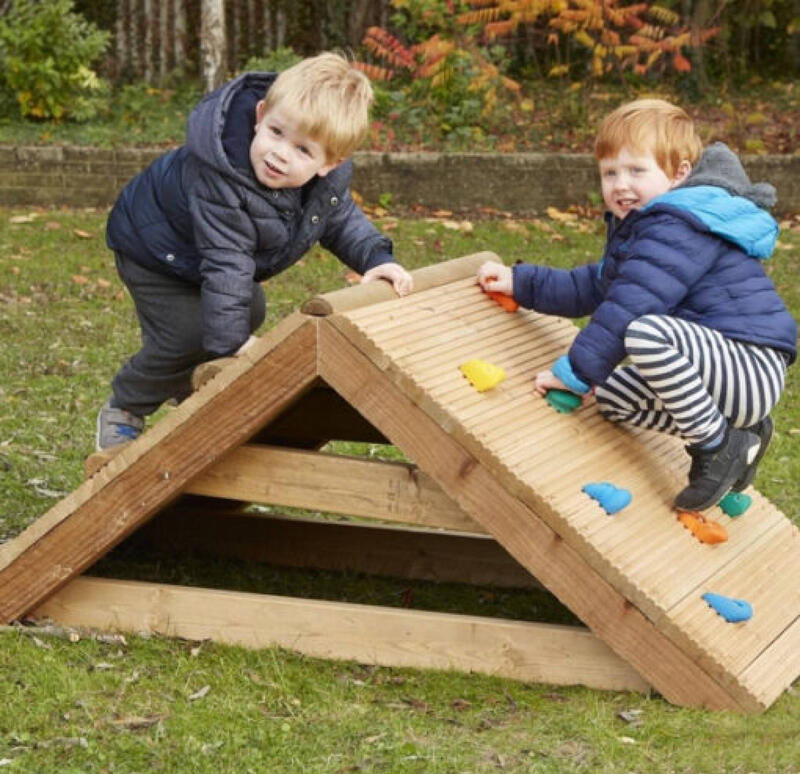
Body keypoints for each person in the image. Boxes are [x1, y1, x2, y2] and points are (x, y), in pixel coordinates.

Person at [477, 99, 796, 511]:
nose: (620, 184)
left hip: (748, 363)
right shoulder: (648, 227)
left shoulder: (680, 226)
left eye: (636, 171)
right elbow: (591, 287)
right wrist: (521, 282)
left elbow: (630, 306)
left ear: (678, 174)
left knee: (643, 331)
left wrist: (576, 375)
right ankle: (739, 433)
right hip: (723, 375)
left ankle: (716, 445)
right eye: (610, 173)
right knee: (610, 397)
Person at [97, 52, 412, 449]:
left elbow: (342, 221)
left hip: (199, 254)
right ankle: (126, 405)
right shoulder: (221, 179)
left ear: (330, 164)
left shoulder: (323, 185)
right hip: (152, 249)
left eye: (303, 150)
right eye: (276, 132)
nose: (280, 153)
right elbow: (226, 260)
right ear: (260, 116)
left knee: (249, 309)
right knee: (186, 334)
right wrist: (235, 345)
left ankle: (186, 382)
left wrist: (377, 259)